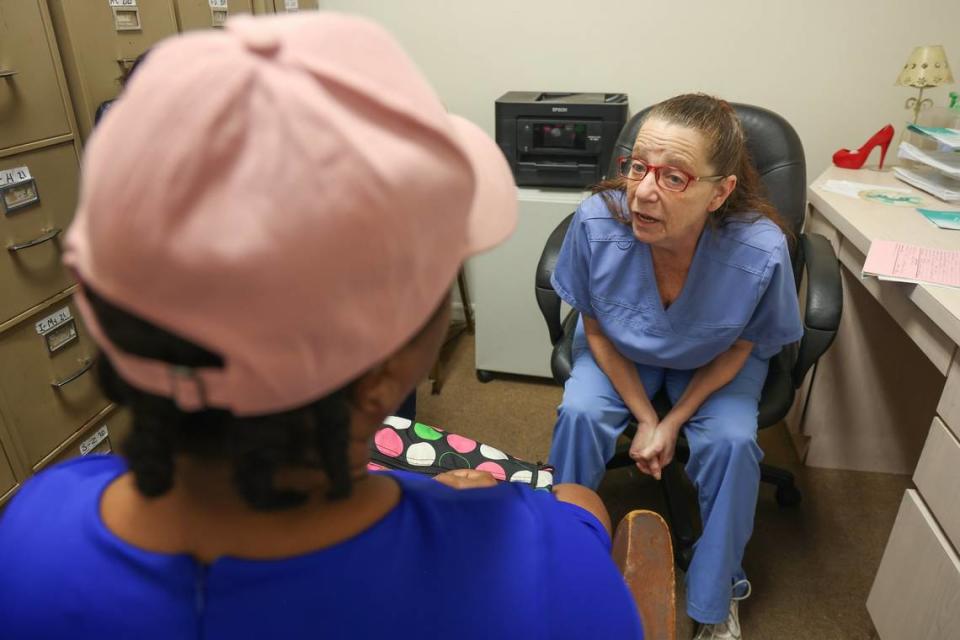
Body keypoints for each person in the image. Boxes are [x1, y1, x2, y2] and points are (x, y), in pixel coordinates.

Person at [0, 13, 643, 639]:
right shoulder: (548, 573)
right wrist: (452, 513)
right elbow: (579, 511)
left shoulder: (31, 528)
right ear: (392, 362)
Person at [547, 94, 803, 639]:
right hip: (618, 350)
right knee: (580, 414)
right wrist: (644, 416)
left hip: (714, 363)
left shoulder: (759, 250)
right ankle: (559, 564)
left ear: (721, 192)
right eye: (637, 167)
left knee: (733, 444)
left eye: (674, 177)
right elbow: (593, 327)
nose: (642, 191)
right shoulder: (599, 219)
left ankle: (716, 600)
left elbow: (742, 347)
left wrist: (674, 420)